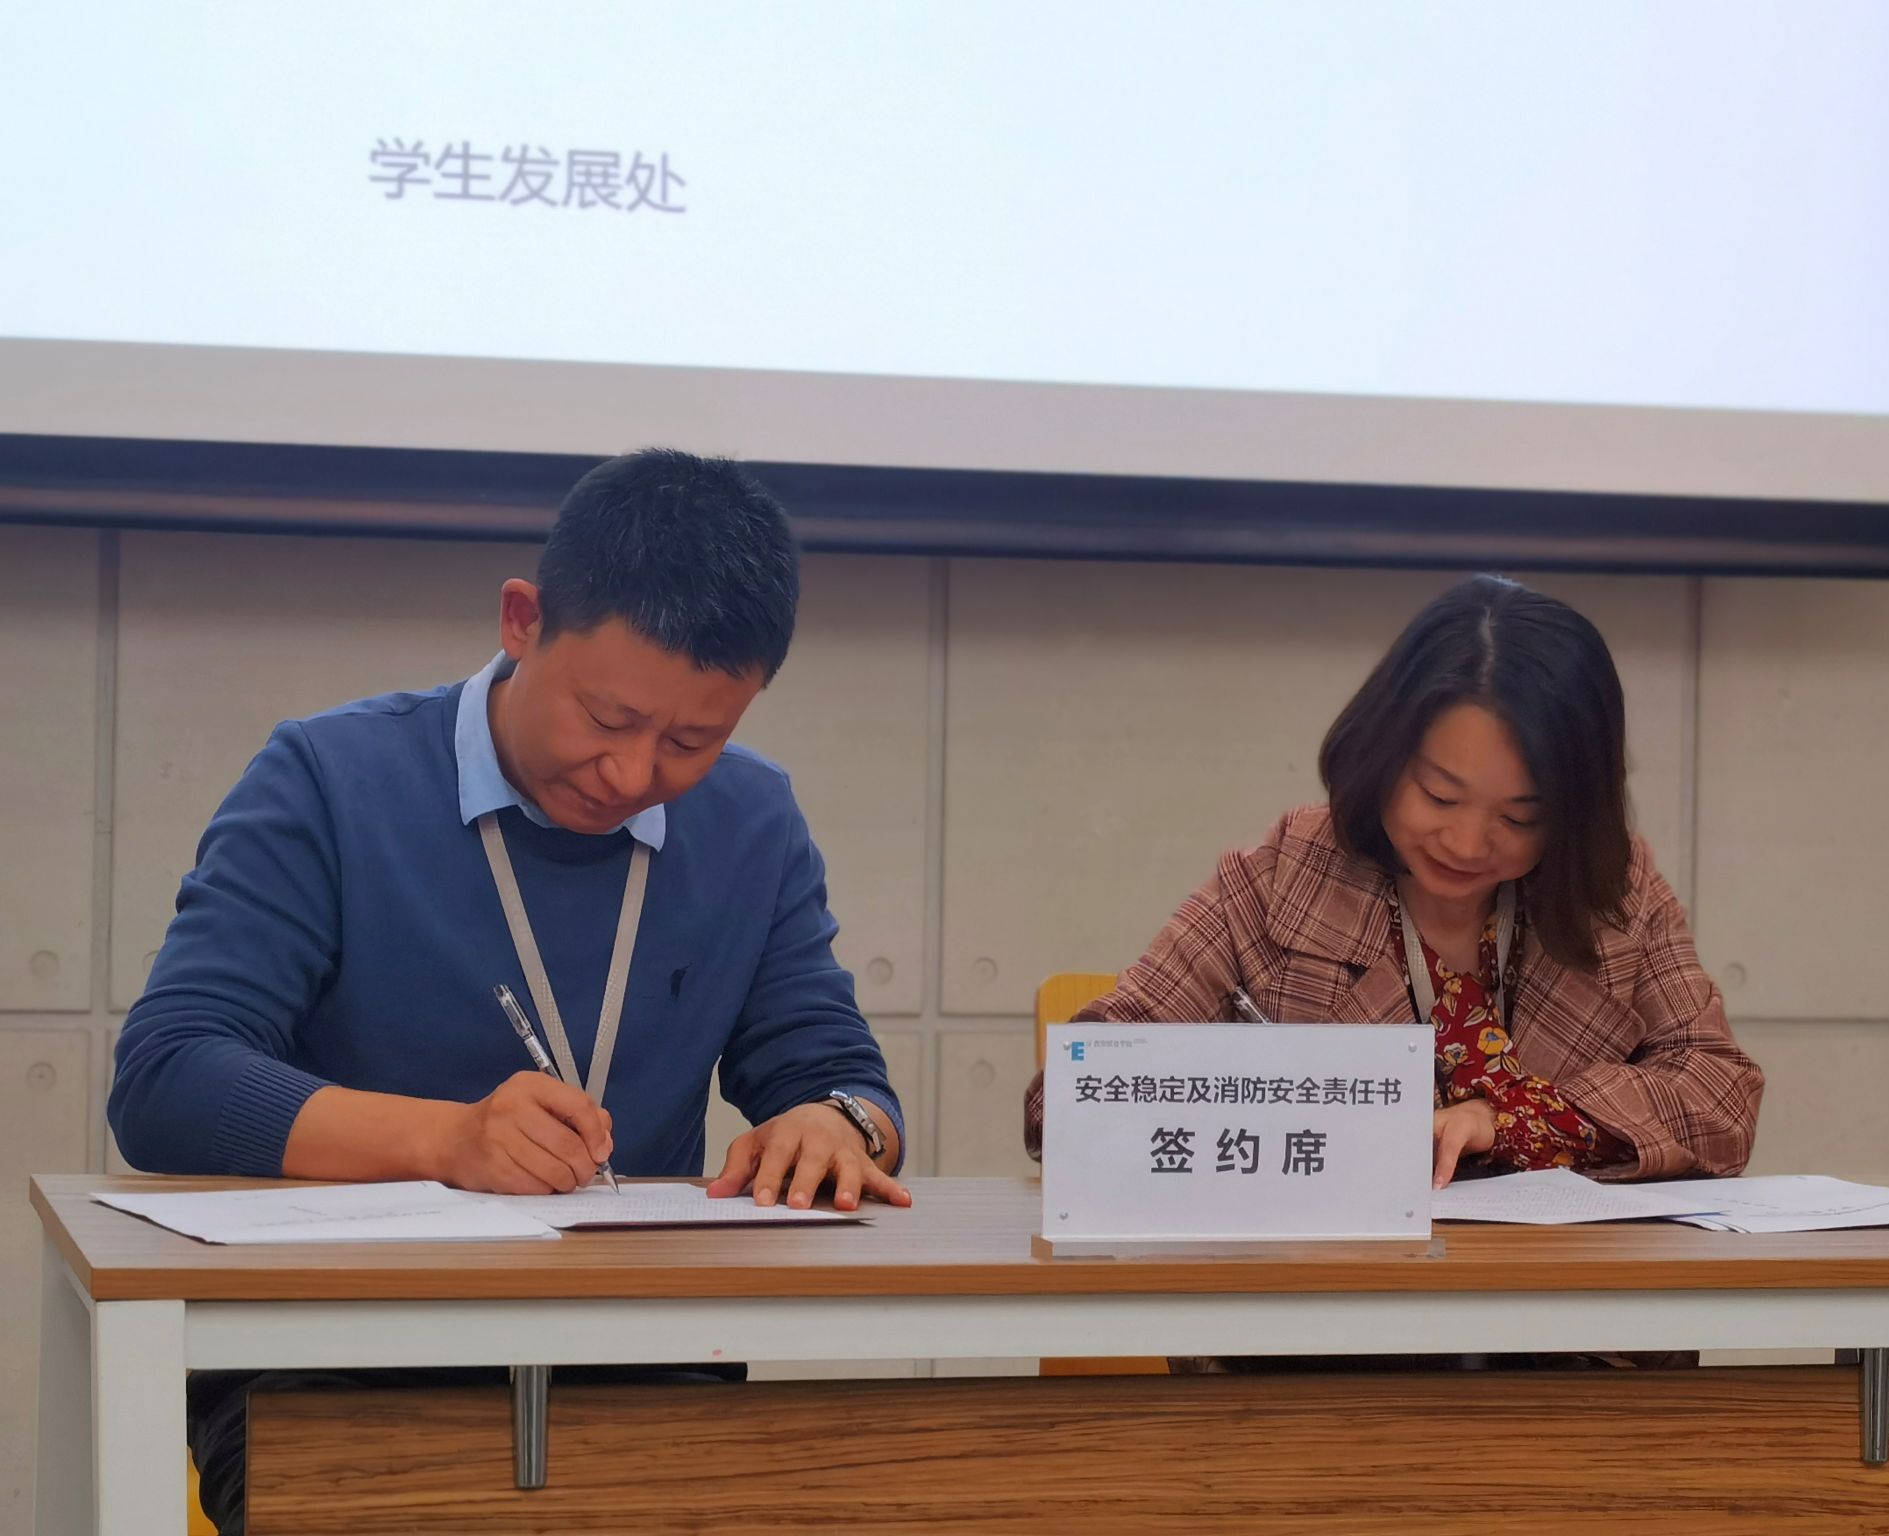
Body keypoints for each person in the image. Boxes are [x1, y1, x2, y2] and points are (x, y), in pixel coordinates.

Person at [110, 448, 909, 1533]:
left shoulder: (751, 821)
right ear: (523, 621)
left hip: (640, 1362)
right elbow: (168, 1078)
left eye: (692, 740)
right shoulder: (331, 780)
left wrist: (839, 1124)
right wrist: (444, 1142)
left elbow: (840, 1076)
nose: (632, 776)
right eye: (607, 720)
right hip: (332, 1360)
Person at [1025, 574, 1762, 1190]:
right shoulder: (1280, 881)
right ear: (1382, 753)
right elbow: (1067, 1103)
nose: (1466, 843)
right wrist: (1287, 1108)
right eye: (1440, 796)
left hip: (1562, 1305)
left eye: (1520, 817)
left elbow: (1720, 1093)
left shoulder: (1615, 893)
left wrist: (1512, 1120)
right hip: (1327, 1306)